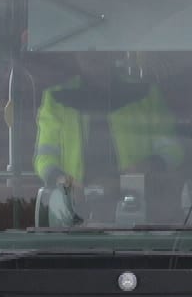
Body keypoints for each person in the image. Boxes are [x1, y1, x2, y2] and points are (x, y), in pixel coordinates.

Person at [33, 51, 183, 225]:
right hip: (78, 211)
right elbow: (44, 158)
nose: (93, 52)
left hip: (138, 208)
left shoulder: (147, 94)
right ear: (75, 53)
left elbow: (173, 150)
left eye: (99, 49)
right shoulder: (55, 98)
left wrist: (145, 167)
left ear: (113, 52)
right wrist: (63, 181)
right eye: (86, 49)